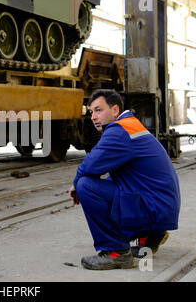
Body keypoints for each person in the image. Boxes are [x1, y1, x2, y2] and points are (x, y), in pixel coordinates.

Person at [69, 89, 181, 270]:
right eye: (91, 112)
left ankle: (116, 252)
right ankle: (150, 236)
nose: (93, 117)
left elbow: (90, 165)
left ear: (114, 110)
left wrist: (75, 184)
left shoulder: (118, 131)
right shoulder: (130, 125)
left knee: (86, 186)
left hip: (153, 207)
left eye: (99, 110)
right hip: (161, 207)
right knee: (113, 184)